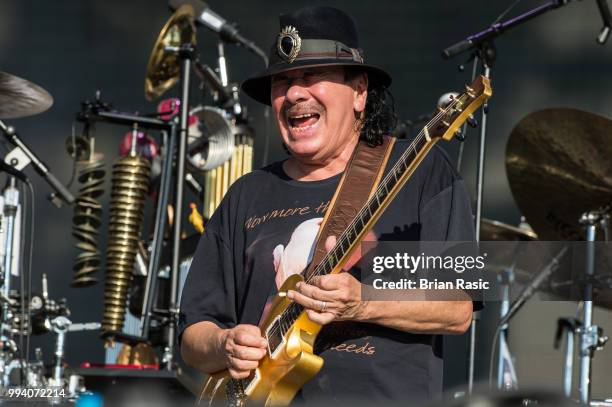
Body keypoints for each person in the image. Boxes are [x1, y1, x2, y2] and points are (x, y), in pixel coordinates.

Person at [179, 6, 476, 405]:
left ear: (359, 91)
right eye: (282, 82)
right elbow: (193, 335)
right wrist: (224, 344)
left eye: (312, 76)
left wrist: (361, 302)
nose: (295, 93)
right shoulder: (247, 193)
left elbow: (458, 307)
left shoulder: (421, 169)